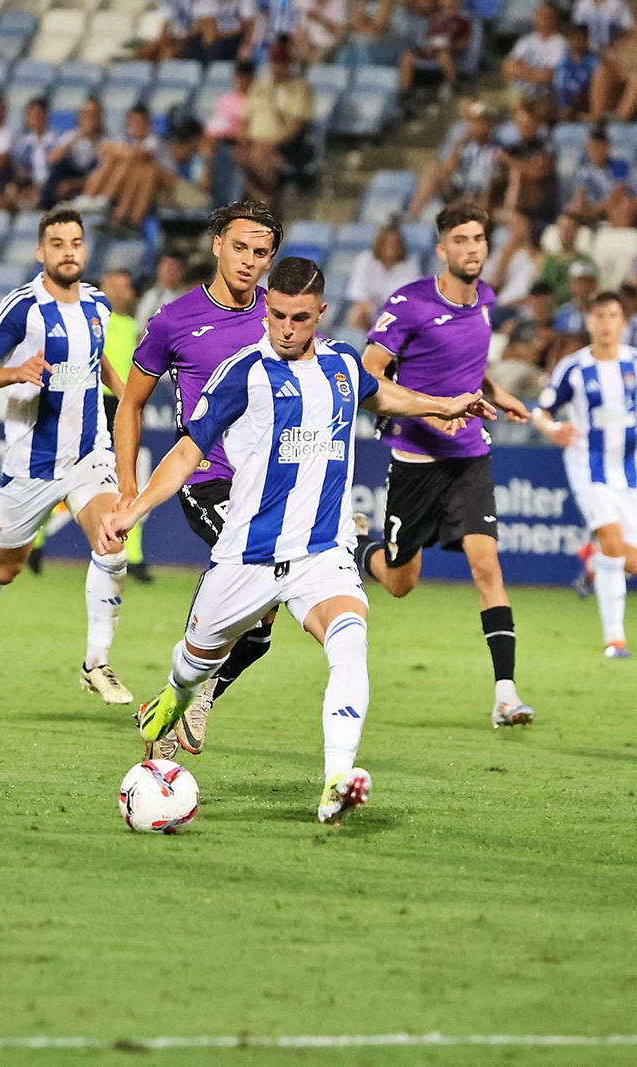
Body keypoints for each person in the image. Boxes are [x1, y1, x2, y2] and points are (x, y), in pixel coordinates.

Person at [101, 256, 496, 823]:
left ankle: (336, 780)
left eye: (300, 318)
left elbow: (378, 393)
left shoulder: (340, 363)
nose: (286, 328)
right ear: (267, 308)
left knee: (351, 642)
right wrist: (135, 507)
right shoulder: (243, 372)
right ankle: (171, 698)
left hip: (321, 553)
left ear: (321, 314)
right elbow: (189, 450)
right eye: (278, 315)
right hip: (247, 557)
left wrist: (440, 404)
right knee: (190, 669)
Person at [350, 202, 536, 730]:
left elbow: (470, 368)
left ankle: (506, 695)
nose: (472, 248)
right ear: (442, 249)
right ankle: (363, 550)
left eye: (479, 238)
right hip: (415, 462)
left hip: (470, 458)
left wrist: (499, 393)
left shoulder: (486, 301)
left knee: (487, 567)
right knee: (402, 582)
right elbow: (369, 380)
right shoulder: (408, 304)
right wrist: (434, 413)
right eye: (462, 239)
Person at [0, 208, 133, 705]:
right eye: (57, 242)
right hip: (32, 465)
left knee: (112, 543)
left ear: (84, 250)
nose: (69, 251)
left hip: (89, 454)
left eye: (76, 242)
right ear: (40, 252)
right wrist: (16, 372)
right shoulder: (22, 307)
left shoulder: (98, 305)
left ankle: (97, 662)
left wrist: (124, 391)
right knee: (6, 568)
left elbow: (97, 356)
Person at [112, 200, 281, 759]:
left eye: (261, 253)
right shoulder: (174, 320)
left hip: (267, 483)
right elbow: (130, 405)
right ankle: (188, 703)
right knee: (250, 570)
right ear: (216, 245)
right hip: (206, 475)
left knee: (263, 619)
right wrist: (128, 488)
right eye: (240, 248)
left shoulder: (279, 320)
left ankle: (183, 695)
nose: (249, 261)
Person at [531, 291, 637, 658]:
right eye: (599, 315)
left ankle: (592, 561)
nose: (606, 323)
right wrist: (552, 430)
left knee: (635, 561)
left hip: (632, 474)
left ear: (623, 322)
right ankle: (616, 640)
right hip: (589, 468)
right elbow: (541, 411)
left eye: (613, 315)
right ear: (589, 321)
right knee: (612, 543)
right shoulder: (574, 367)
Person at [96, 268, 150, 584]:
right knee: (67, 474)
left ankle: (136, 557)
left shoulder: (136, 330)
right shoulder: (94, 321)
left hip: (124, 407)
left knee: (128, 478)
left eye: (123, 287)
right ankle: (35, 545)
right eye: (111, 286)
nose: (118, 292)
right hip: (94, 403)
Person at [235, 39, 313, 206]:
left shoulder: (299, 88)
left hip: (286, 144)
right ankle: (262, 199)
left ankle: (273, 199)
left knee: (258, 155)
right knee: (236, 155)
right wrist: (243, 134)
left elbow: (297, 125)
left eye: (282, 64)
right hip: (255, 140)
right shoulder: (261, 86)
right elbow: (247, 116)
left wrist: (270, 143)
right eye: (275, 63)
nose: (277, 68)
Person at [347, 223, 421, 330]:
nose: (390, 248)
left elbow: (411, 295)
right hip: (371, 310)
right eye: (386, 243)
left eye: (394, 244)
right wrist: (374, 311)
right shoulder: (364, 260)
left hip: (398, 312)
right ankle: (358, 343)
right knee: (357, 313)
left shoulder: (410, 263)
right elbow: (359, 294)